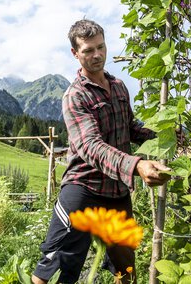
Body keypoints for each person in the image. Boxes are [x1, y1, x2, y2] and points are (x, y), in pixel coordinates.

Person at [32, 19, 171, 284]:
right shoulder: (75, 96)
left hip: (117, 192)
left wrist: (164, 134)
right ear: (75, 53)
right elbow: (90, 147)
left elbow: (130, 128)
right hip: (83, 188)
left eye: (101, 47)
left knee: (125, 269)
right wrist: (137, 165)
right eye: (88, 50)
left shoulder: (118, 86)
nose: (97, 55)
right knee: (54, 268)